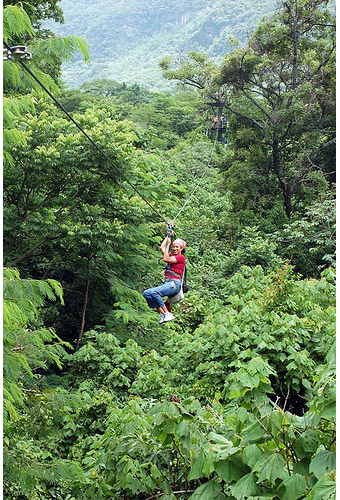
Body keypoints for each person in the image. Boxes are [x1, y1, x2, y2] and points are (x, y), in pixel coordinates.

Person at [142, 236, 187, 324]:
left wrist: (169, 244)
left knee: (154, 292)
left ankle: (167, 313)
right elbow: (162, 248)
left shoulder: (181, 258)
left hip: (174, 284)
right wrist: (168, 237)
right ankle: (162, 314)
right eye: (173, 247)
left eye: (176, 247)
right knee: (146, 293)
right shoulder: (171, 256)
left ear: (181, 248)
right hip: (168, 282)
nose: (174, 248)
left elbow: (165, 259)